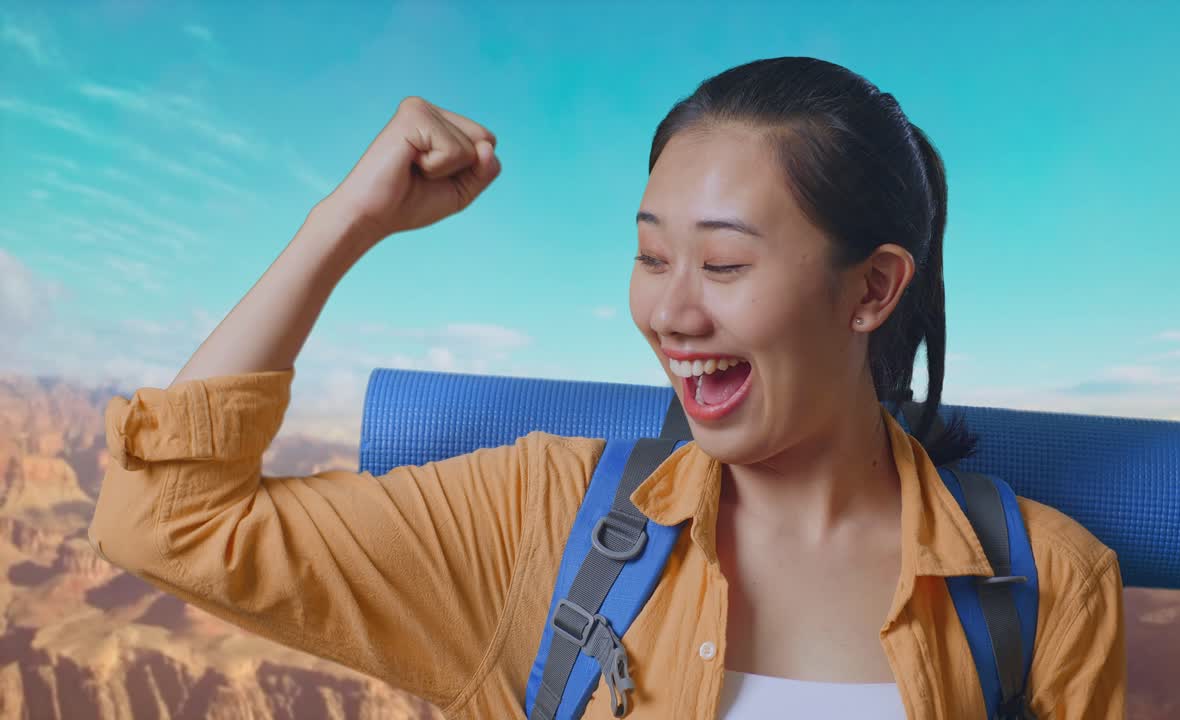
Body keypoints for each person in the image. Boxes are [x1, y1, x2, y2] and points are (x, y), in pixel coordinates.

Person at [89, 57, 1125, 718]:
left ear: (872, 289)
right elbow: (168, 527)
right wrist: (342, 223)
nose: (670, 314)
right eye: (650, 256)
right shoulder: (544, 524)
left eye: (723, 265)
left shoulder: (1046, 589)